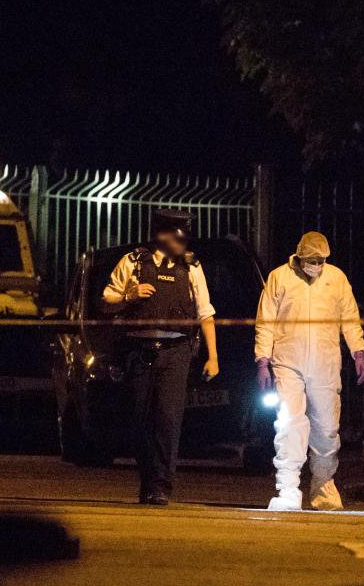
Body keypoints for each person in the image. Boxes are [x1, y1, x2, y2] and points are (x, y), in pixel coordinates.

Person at [102, 208, 219, 506]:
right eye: (177, 235)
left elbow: (205, 313)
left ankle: (161, 486)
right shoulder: (133, 262)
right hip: (139, 353)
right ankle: (147, 479)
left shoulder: (191, 267)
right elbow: (106, 300)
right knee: (139, 420)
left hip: (176, 352)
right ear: (162, 235)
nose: (182, 241)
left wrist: (213, 357)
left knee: (168, 420)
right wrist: (129, 296)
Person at [255, 231, 364, 511]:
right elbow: (265, 321)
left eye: (320, 260)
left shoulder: (336, 279)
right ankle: (288, 490)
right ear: (299, 256)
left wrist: (358, 351)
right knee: (289, 423)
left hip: (325, 363)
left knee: (327, 428)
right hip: (287, 361)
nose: (316, 264)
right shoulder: (279, 278)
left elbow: (350, 318)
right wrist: (263, 361)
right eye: (311, 260)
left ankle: (323, 487)